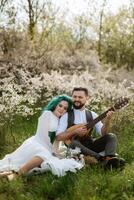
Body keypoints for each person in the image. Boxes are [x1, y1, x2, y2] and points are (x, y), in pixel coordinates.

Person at [0, 95, 83, 180]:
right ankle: (16, 175)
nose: (62, 109)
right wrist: (51, 151)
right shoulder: (47, 114)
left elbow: (56, 141)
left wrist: (56, 153)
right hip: (38, 143)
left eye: (65, 108)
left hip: (47, 146)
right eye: (60, 106)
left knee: (51, 159)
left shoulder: (59, 120)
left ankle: (9, 174)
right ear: (55, 105)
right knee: (44, 154)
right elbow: (46, 136)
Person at [56, 87, 125, 169]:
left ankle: (109, 158)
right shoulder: (66, 115)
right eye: (74, 97)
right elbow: (58, 137)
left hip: (90, 145)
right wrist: (74, 132)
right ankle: (102, 159)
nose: (77, 99)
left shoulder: (92, 114)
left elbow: (103, 133)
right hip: (75, 148)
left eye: (80, 97)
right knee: (74, 143)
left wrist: (107, 120)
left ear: (87, 98)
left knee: (111, 136)